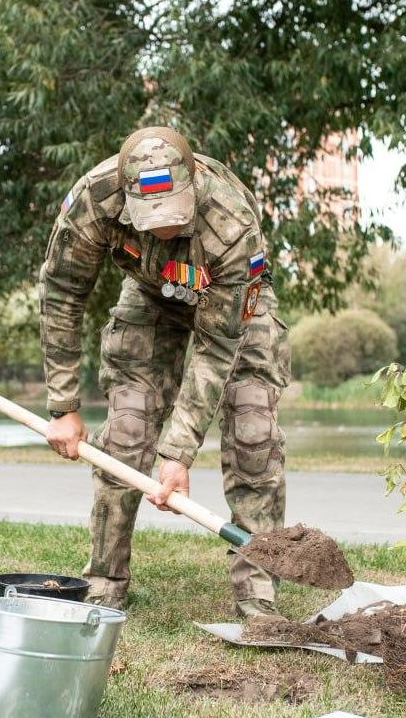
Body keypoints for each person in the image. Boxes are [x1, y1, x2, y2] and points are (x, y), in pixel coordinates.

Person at [40, 126, 290, 618]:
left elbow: (219, 346)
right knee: (127, 430)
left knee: (252, 423)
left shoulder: (232, 223)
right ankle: (105, 581)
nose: (163, 232)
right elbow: (63, 293)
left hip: (233, 306)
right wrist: (63, 405)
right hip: (153, 293)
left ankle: (257, 590)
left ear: (193, 186)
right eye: (150, 221)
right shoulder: (95, 198)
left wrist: (178, 453)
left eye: (174, 219)